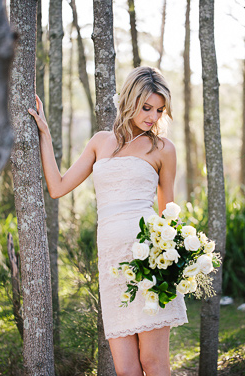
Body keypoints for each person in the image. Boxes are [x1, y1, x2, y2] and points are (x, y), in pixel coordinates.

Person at [29, 66, 187, 376]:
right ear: (129, 100)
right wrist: (44, 133)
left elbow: (168, 210)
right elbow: (58, 186)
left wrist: (175, 260)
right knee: (126, 369)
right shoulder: (101, 141)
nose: (152, 116)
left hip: (150, 261)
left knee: (153, 363)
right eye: (146, 107)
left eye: (159, 110)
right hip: (112, 264)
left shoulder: (163, 149)